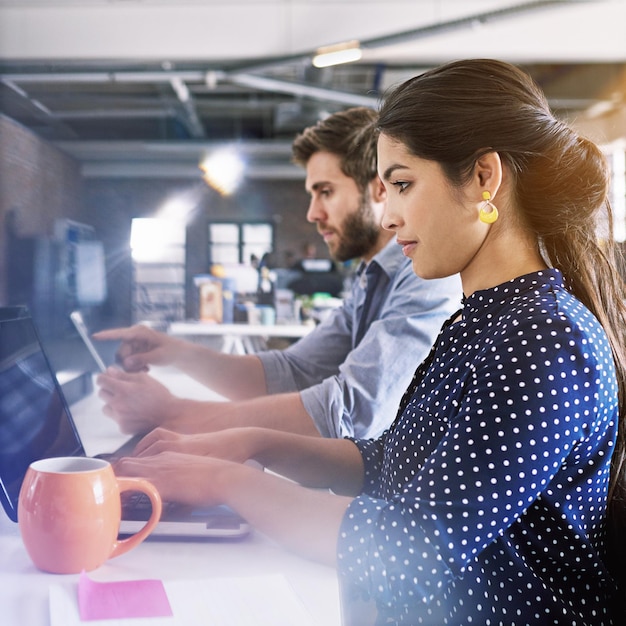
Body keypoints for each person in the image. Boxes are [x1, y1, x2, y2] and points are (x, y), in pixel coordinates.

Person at [114, 59, 626, 624]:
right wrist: (252, 444)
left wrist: (224, 480)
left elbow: (411, 550)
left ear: (484, 177)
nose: (389, 218)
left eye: (403, 184)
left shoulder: (544, 339)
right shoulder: (484, 322)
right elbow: (389, 464)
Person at [95, 107, 461, 440]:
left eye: (326, 192)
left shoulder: (426, 276)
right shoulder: (371, 276)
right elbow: (292, 372)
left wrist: (175, 414)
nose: (312, 213)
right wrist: (177, 353)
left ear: (379, 189)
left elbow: (352, 412)